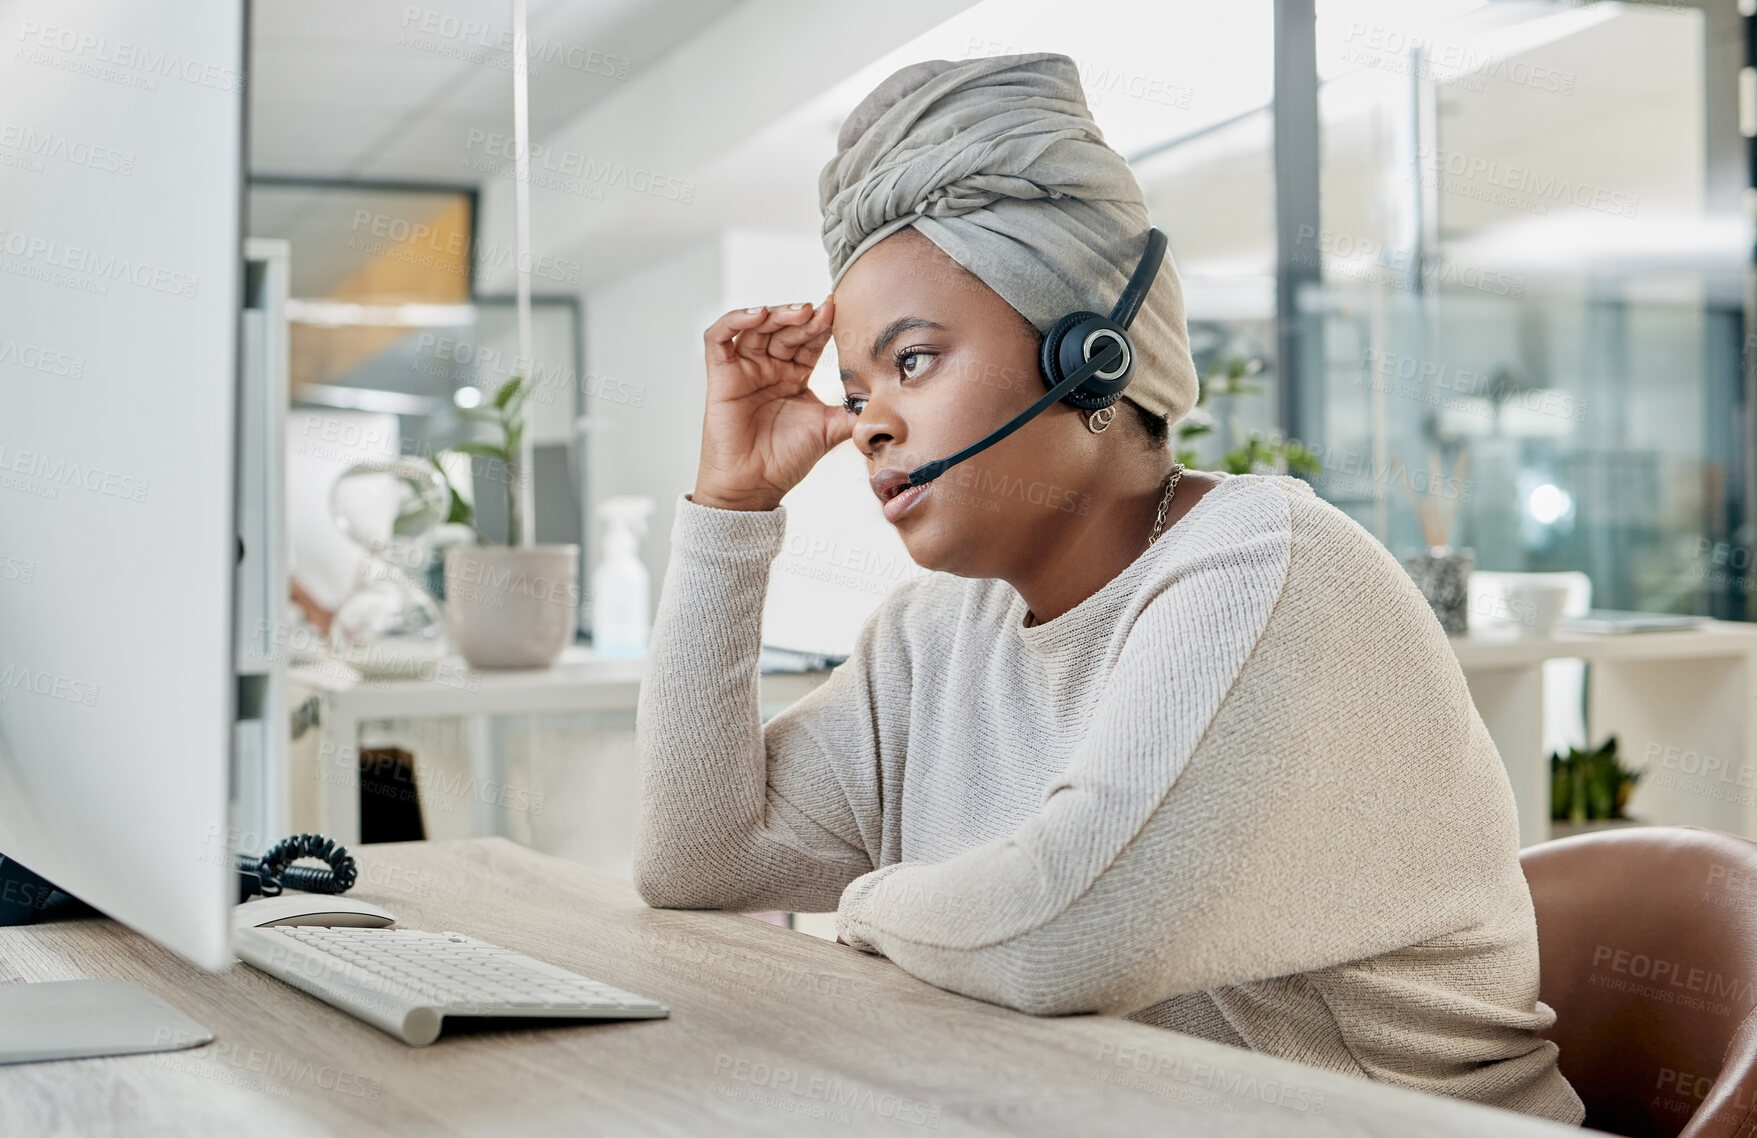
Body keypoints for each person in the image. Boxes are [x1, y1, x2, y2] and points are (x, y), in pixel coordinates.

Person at [632, 51, 1584, 1126]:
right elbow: (697, 857)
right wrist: (730, 505)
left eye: (912, 361)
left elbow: (1061, 933)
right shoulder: (934, 634)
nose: (868, 426)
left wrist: (861, 901)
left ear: (1088, 358)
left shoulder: (1266, 569)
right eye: (854, 391)